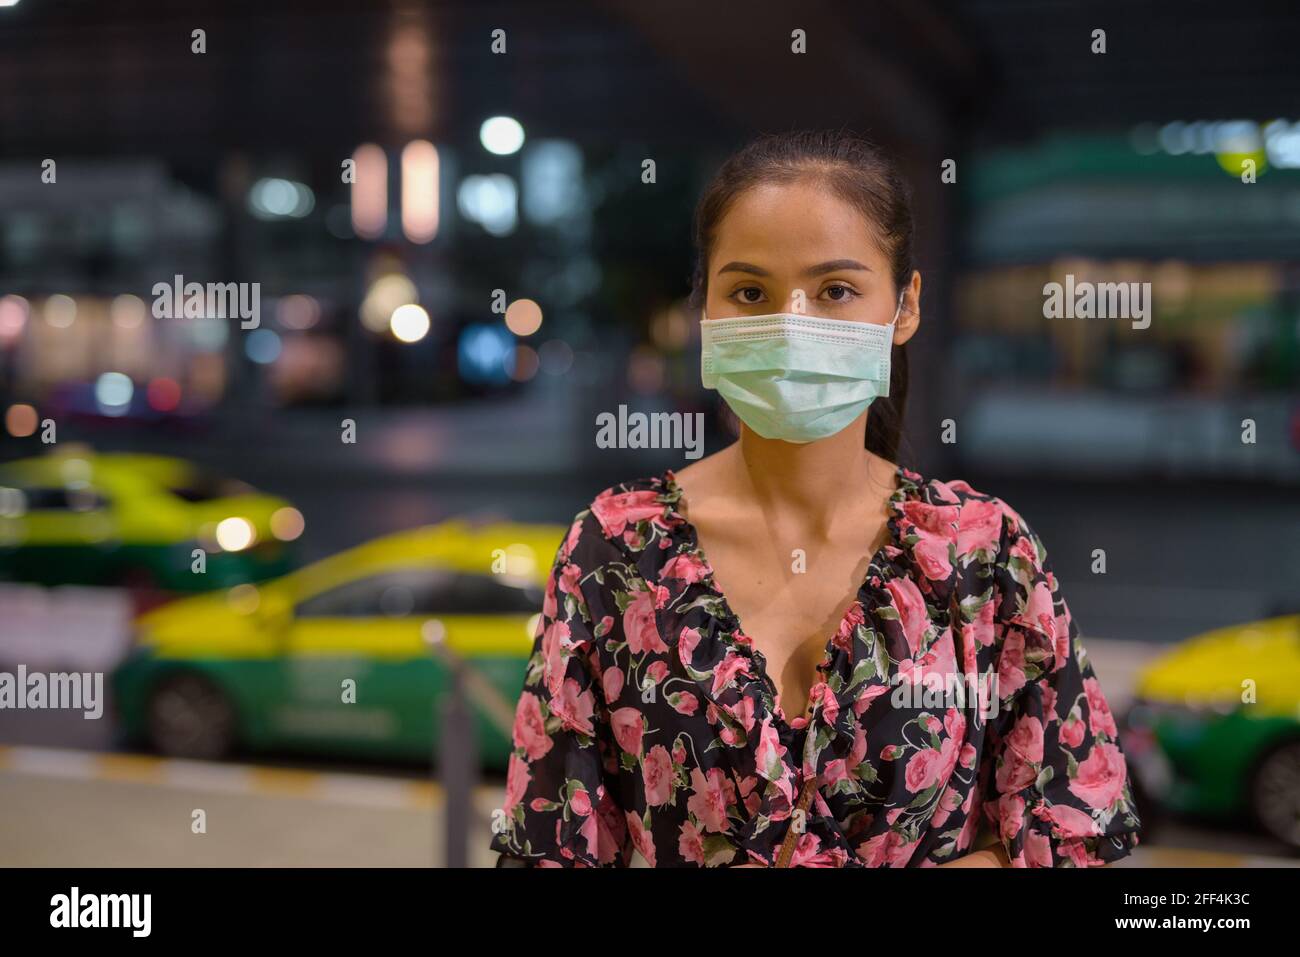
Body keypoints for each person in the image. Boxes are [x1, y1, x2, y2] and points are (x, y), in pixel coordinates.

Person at [489, 130, 1142, 868]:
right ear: (706, 309)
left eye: (835, 289)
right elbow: (549, 844)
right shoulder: (614, 553)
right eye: (751, 292)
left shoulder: (984, 556)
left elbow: (1073, 833)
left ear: (905, 306)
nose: (793, 325)